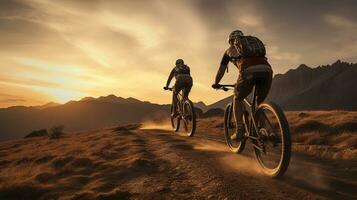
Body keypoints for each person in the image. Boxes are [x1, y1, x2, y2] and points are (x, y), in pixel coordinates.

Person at [212, 30, 273, 140]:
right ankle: (262, 130)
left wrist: (216, 83)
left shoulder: (229, 50)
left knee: (237, 97)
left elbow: (221, 70)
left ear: (230, 41)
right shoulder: (252, 47)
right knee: (258, 104)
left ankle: (239, 129)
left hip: (248, 71)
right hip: (267, 71)